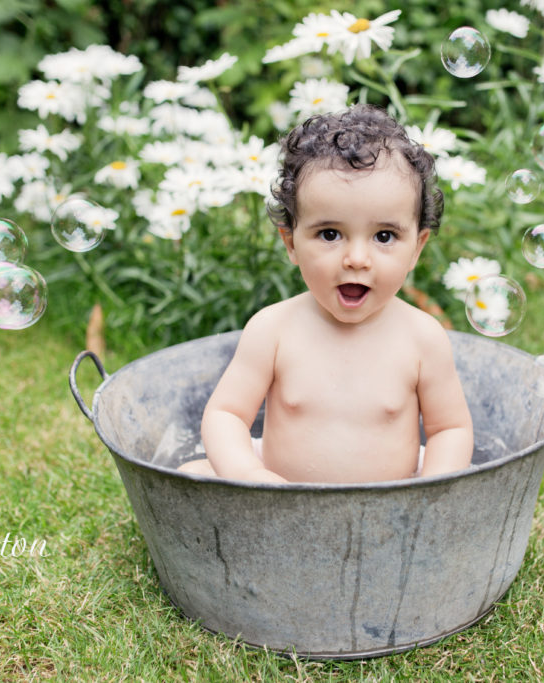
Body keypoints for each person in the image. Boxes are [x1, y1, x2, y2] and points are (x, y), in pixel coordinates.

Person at [179, 104, 474, 483]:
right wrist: (250, 475)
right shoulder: (273, 330)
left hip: (391, 504)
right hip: (282, 497)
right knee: (191, 473)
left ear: (416, 247)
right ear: (291, 243)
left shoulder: (422, 338)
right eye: (330, 234)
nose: (355, 259)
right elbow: (226, 416)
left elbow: (450, 429)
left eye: (384, 236)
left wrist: (432, 488)